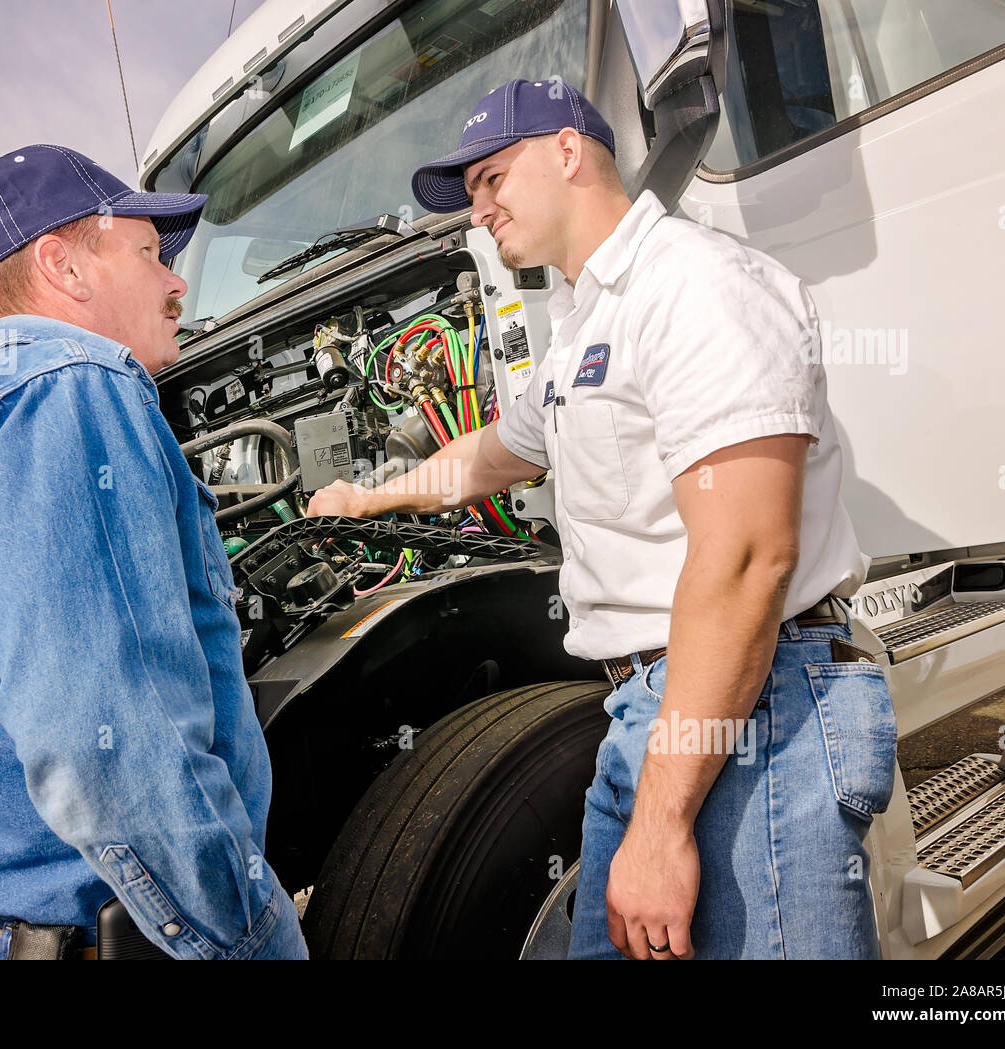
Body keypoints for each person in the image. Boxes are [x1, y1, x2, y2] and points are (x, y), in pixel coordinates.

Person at [307, 79, 895, 959]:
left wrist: (661, 826)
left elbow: (744, 558)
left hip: (750, 711)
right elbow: (501, 452)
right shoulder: (581, 324)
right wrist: (370, 495)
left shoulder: (697, 285)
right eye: (470, 191)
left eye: (492, 178)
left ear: (570, 152)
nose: (479, 210)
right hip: (646, 715)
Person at [0, 145, 307, 960]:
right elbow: (108, 740)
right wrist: (247, 932)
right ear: (62, 266)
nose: (177, 283)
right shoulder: (71, 386)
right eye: (148, 254)